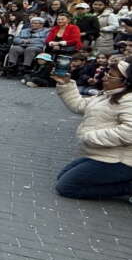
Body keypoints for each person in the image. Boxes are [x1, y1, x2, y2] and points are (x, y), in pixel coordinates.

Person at [52, 57, 132, 199]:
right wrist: (65, 84)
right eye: (107, 73)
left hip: (121, 160)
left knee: (67, 187)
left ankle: (127, 187)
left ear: (126, 81)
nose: (105, 77)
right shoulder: (108, 95)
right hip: (103, 155)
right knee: (62, 177)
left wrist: (91, 137)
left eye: (111, 75)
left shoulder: (128, 100)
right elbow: (80, 105)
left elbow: (129, 132)